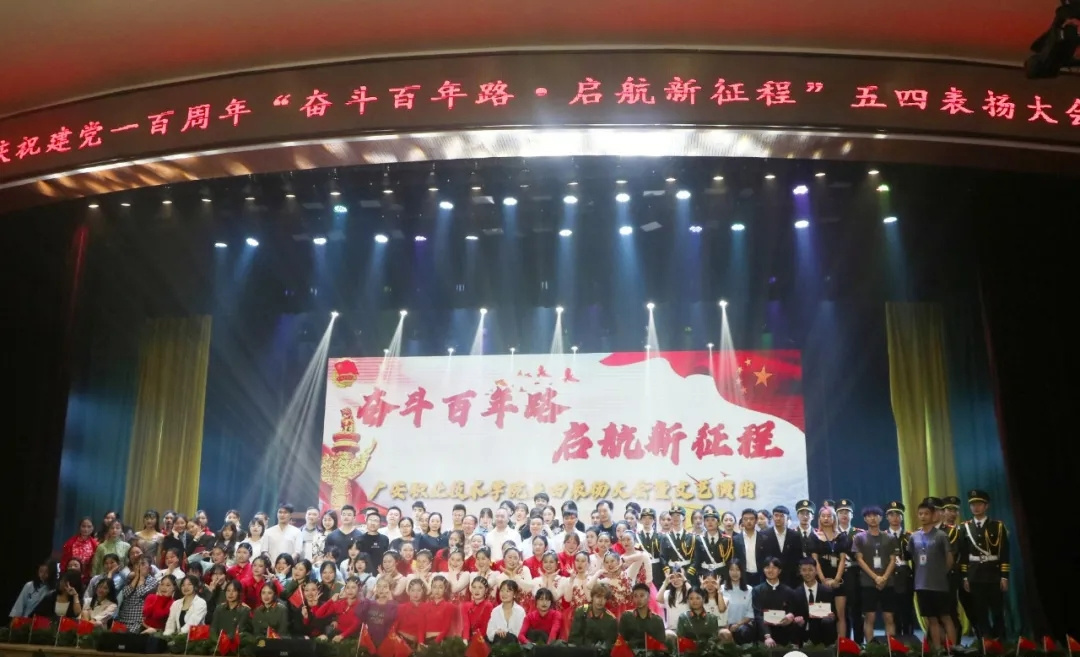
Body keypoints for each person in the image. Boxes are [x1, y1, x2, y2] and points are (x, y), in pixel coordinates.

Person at [959, 489, 1010, 641]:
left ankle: (1000, 641)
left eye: (979, 504)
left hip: (993, 574)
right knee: (980, 611)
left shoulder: (998, 526)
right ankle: (985, 641)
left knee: (997, 611)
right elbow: (963, 555)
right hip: (975, 575)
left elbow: (1004, 553)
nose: (976, 507)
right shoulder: (965, 527)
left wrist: (1004, 576)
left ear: (986, 506)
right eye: (973, 504)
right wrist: (965, 577)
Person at [910, 499, 957, 651]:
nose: (923, 516)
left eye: (926, 514)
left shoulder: (941, 535)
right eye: (920, 514)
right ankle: (937, 649)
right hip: (922, 584)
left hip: (939, 584)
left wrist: (941, 573)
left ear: (933, 515)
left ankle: (953, 648)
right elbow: (913, 557)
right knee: (931, 619)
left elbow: (949, 559)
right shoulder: (914, 536)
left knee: (946, 616)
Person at [853, 505, 899, 639]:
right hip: (868, 583)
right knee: (870, 617)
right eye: (869, 516)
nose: (872, 518)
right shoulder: (859, 537)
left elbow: (893, 560)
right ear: (865, 519)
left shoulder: (890, 538)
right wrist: (876, 578)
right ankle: (870, 647)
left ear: (881, 518)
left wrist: (884, 577)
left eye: (876, 516)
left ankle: (891, 647)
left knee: (889, 617)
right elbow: (859, 560)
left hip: (888, 583)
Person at [810, 504, 850, 640]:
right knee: (822, 614)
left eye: (829, 516)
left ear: (834, 519)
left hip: (839, 580)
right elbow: (815, 561)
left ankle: (842, 645)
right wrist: (823, 580)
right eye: (823, 516)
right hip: (821, 581)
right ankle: (823, 645)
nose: (826, 519)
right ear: (819, 518)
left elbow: (843, 560)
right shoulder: (814, 536)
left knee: (840, 615)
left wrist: (837, 579)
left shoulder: (842, 536)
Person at [752, 556, 799, 647]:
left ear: (779, 571)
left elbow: (792, 610)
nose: (770, 570)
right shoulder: (757, 590)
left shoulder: (789, 591)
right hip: (765, 632)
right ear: (763, 570)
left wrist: (790, 615)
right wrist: (767, 635)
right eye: (767, 567)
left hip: (784, 630)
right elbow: (758, 615)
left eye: (774, 567)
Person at [792, 557, 836, 645]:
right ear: (800, 572)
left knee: (828, 622)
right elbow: (794, 615)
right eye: (804, 570)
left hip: (822, 632)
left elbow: (835, 615)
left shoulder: (827, 591)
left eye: (810, 570)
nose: (807, 573)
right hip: (802, 632)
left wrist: (832, 616)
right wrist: (797, 620)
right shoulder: (795, 593)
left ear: (816, 571)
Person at [115, 556, 159, 631]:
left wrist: (141, 578)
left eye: (142, 564)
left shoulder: (153, 581)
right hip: (122, 619)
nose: (139, 567)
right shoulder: (129, 579)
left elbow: (141, 593)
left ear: (149, 568)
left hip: (138, 622)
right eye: (137, 564)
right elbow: (125, 593)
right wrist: (136, 578)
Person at [762, 505, 802, 588]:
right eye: (776, 515)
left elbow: (798, 557)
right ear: (773, 517)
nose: (778, 518)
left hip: (790, 578)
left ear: (788, 518)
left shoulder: (795, 536)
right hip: (770, 576)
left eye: (782, 516)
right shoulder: (764, 535)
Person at [568, 582, 618, 647]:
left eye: (604, 598)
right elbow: (573, 638)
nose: (600, 601)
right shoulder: (581, 610)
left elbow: (609, 644)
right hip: (579, 649)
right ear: (592, 597)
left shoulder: (611, 619)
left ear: (607, 600)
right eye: (598, 597)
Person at [621, 582, 666, 647]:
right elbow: (621, 640)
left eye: (642, 596)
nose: (638, 599)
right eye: (635, 596)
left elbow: (661, 644)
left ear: (649, 598)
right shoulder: (626, 616)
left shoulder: (657, 620)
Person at [662, 506, 698, 585]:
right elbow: (663, 557)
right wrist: (668, 570)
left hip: (688, 571)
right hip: (672, 572)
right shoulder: (665, 537)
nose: (675, 518)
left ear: (683, 517)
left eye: (678, 515)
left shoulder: (691, 537)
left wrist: (689, 572)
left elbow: (696, 558)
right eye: (673, 515)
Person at [696, 510, 735, 583]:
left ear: (718, 522)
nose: (710, 522)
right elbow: (697, 561)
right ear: (704, 523)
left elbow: (729, 561)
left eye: (713, 520)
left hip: (722, 575)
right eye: (707, 520)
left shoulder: (727, 540)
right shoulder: (699, 539)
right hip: (704, 575)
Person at [733, 508, 765, 586]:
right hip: (743, 575)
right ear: (742, 521)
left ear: (756, 520)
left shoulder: (764, 538)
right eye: (745, 519)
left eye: (751, 519)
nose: (748, 521)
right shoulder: (735, 539)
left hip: (760, 575)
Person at [62, 518, 99, 585]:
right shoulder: (70, 543)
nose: (86, 529)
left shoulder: (95, 545)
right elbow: (64, 561)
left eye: (89, 527)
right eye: (83, 526)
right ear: (79, 527)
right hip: (70, 577)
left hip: (86, 579)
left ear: (93, 528)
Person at [656, 567, 691, 633]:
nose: (675, 580)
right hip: (671, 630)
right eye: (672, 577)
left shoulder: (687, 592)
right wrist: (665, 583)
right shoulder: (667, 593)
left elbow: (692, 593)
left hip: (686, 629)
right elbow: (658, 599)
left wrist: (685, 580)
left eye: (678, 576)